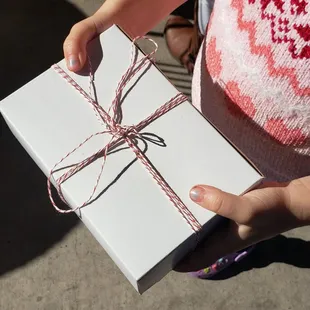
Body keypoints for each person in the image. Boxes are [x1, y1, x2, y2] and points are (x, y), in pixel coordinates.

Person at [62, 0, 310, 278]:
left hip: (278, 177)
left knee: (223, 229)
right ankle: (195, 58)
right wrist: (116, 15)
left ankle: (241, 249)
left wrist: (292, 204)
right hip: (204, 103)